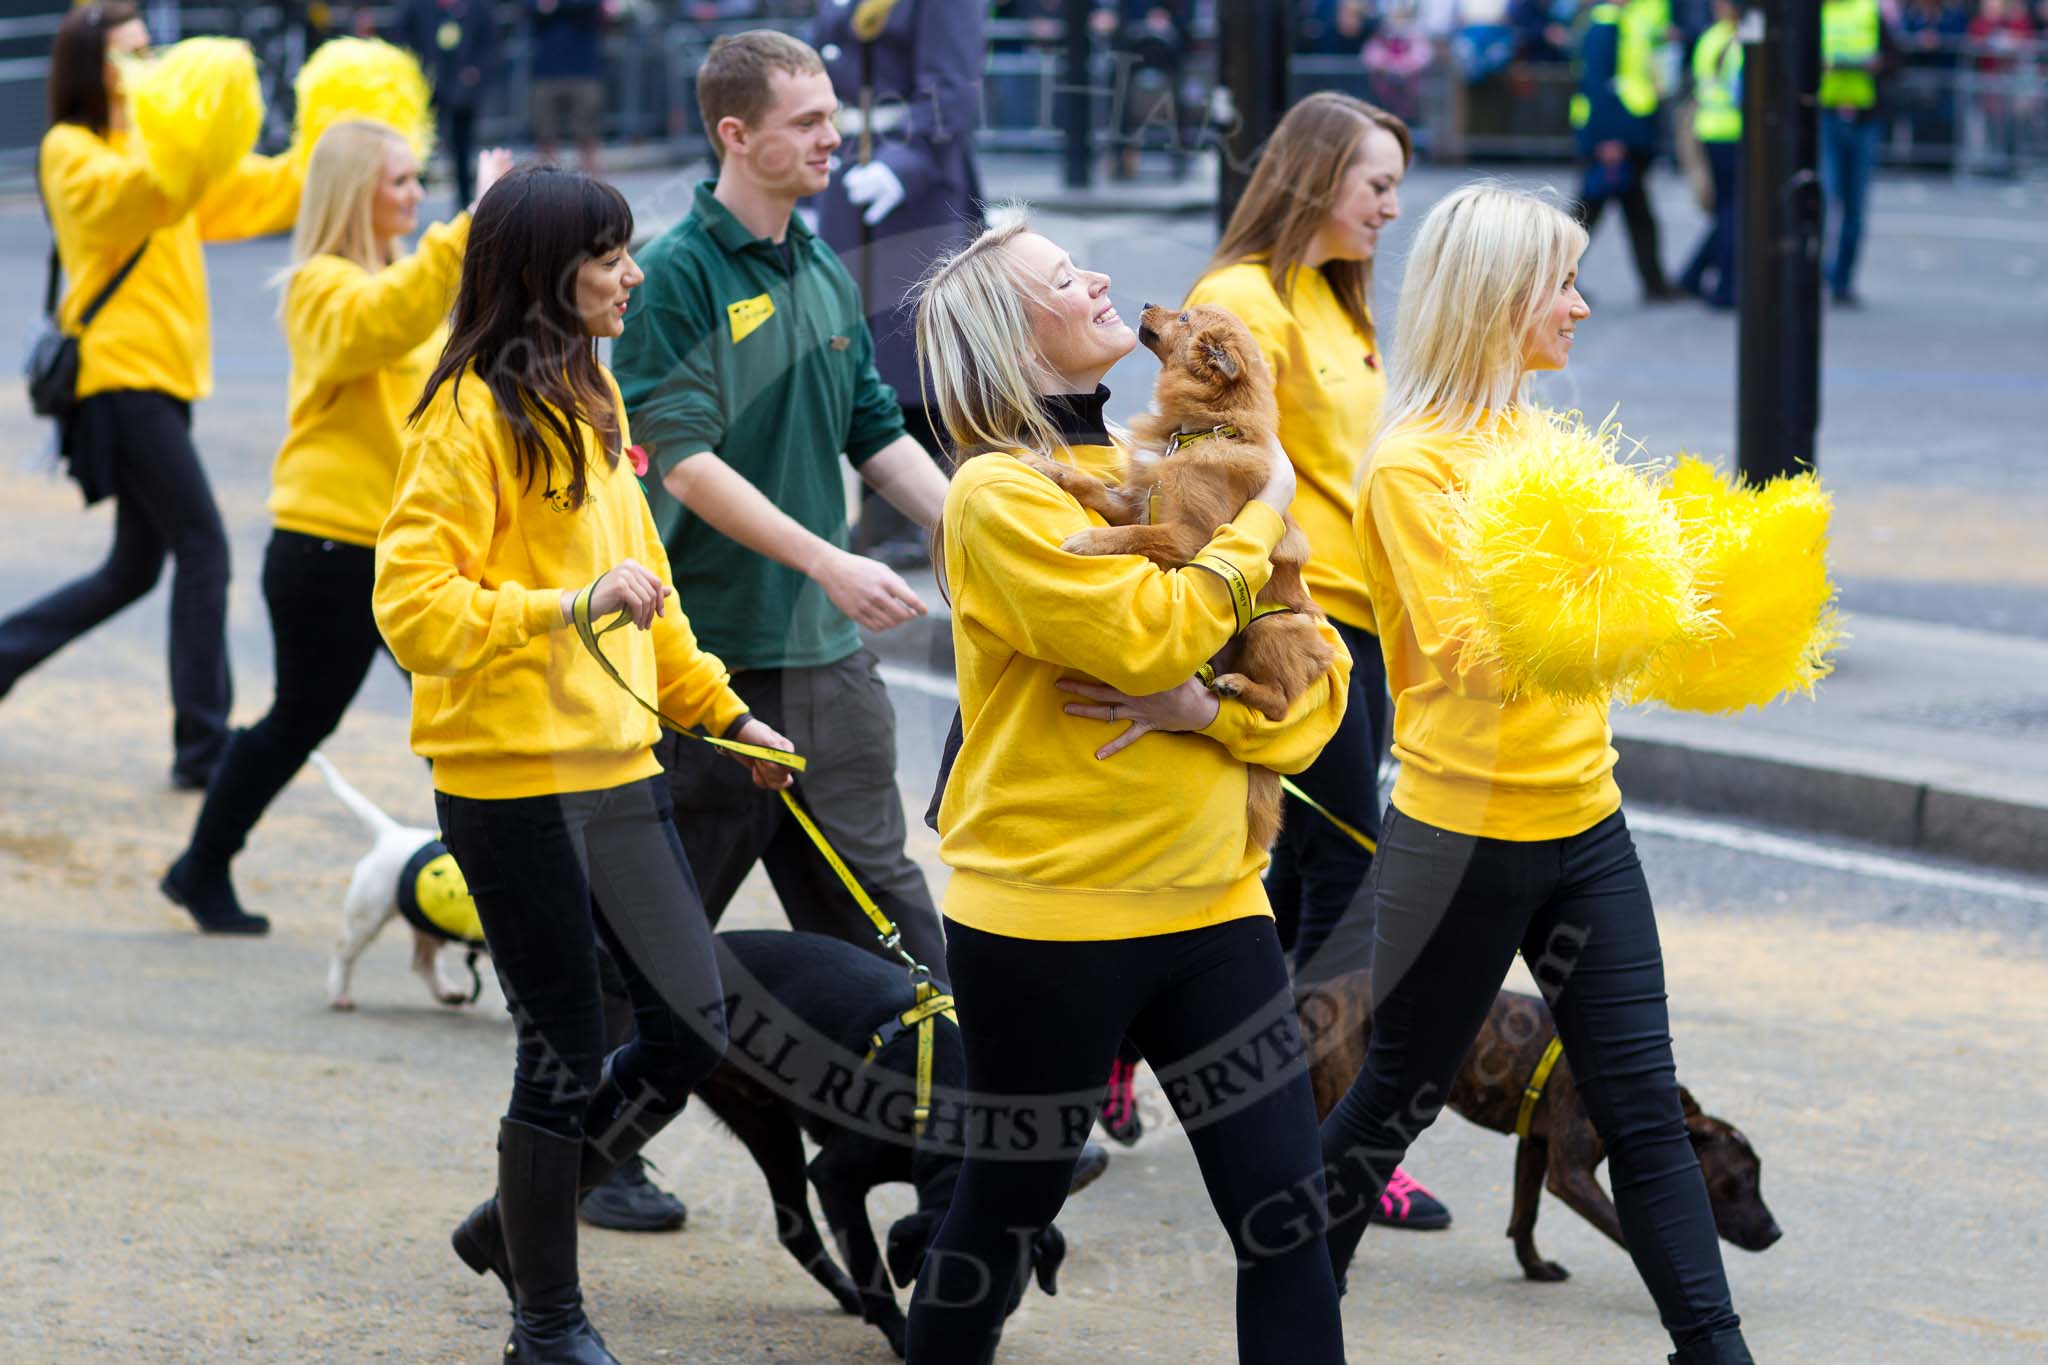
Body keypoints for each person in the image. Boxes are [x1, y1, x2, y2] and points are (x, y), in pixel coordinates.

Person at [1317, 183, 1754, 1365]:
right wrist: (1629, 597)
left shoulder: (1550, 442)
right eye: (1559, 283)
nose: (1579, 304)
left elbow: (1617, 627)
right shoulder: (1410, 467)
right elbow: (1470, 654)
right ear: (1499, 301)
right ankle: (1291, 1323)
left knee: (1645, 1115)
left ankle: (1714, 1351)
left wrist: (1705, 595)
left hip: (1586, 824)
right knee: (1391, 1102)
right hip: (1458, 840)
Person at [903, 218, 1351, 1362]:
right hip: (1049, 920)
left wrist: (1219, 716)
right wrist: (1258, 518)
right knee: (1006, 1213)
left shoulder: (1165, 467)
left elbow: (1319, 673)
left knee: (1285, 1220)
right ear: (1014, 336)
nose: (1100, 280)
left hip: (1213, 908)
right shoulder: (999, 497)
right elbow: (1145, 637)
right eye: (1065, 279)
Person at [373, 163, 797, 1364]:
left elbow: (644, 590)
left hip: (619, 770)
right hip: (510, 786)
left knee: (690, 1030)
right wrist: (561, 607)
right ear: (544, 274)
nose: (632, 274)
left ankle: (519, 1222)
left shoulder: (590, 389)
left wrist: (721, 714)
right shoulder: (466, 414)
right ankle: (545, 1321)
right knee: (560, 1047)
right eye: (609, 256)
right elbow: (412, 609)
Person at [611, 31, 949, 972]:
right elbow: (681, 462)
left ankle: (979, 1114)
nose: (834, 139)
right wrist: (829, 559)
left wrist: (980, 526)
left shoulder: (823, 267)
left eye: (834, 117)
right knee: (652, 949)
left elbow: (874, 430)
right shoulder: (672, 275)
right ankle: (583, 1116)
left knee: (887, 915)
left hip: (828, 665)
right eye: (807, 122)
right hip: (705, 666)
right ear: (735, 134)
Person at [1182, 90, 1450, 1234]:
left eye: (1394, 183)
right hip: (1298, 626)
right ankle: (1328, 1142)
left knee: (1291, 876)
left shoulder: (1339, 302)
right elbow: (1213, 470)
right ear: (1310, 180)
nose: (1392, 206)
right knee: (1349, 882)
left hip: (1364, 626)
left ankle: (1190, 1063)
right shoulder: (1237, 300)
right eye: (1374, 183)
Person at [157, 124, 509, 935]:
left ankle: (198, 866)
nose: (418, 195)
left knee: (444, 717)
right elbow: (382, 319)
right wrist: (470, 226)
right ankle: (202, 864)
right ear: (356, 192)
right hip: (328, 547)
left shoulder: (398, 281)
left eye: (420, 180)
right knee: (322, 717)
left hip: (397, 545)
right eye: (399, 182)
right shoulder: (321, 285)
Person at [0, 4, 301, 792]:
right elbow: (131, 201)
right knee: (204, 545)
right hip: (115, 379)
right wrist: (190, 144)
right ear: (89, 67)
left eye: (149, 52)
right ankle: (202, 747)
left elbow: (248, 195)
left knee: (136, 566)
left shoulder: (161, 146)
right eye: (128, 55)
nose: (146, 66)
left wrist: (330, 153)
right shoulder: (72, 149)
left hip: (164, 379)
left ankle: (5, 654)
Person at [812, 0, 987, 570]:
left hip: (916, 186)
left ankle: (927, 511)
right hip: (848, 176)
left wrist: (904, 163)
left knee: (918, 354)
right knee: (862, 346)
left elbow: (952, 91)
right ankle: (885, 507)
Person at [1570, 0, 1680, 301]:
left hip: (1625, 136)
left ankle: (1654, 283)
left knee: (1625, 215)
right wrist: (1609, 139)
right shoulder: (1605, 25)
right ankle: (1552, 282)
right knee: (1588, 217)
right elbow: (1599, 85)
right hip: (1613, 138)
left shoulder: (1621, 21)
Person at [394, 0, 499, 213]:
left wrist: (476, 73)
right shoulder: (418, 7)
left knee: (462, 150)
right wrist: (415, 70)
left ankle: (464, 205)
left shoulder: (478, 8)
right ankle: (409, 201)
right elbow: (401, 38)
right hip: (426, 87)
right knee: (418, 147)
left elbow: (491, 46)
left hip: (463, 90)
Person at [1819, 0, 1885, 304]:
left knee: (1854, 208)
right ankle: (1817, 274)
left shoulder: (1869, 10)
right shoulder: (1819, 11)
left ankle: (1841, 280)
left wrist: (1877, 64)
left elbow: (1895, 56)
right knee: (1823, 198)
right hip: (1828, 116)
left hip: (1862, 117)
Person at [1679, 0, 1742, 310]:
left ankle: (1694, 275)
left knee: (1726, 211)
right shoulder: (1738, 42)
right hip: (1734, 132)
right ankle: (1725, 288)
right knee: (1734, 213)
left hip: (1710, 129)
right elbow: (1741, 92)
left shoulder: (1710, 38)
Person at [527, 0, 606, 174]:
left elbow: (591, 6)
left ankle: (593, 195)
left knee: (587, 137)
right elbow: (528, 8)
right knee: (545, 138)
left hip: (584, 72)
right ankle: (546, 194)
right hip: (546, 73)